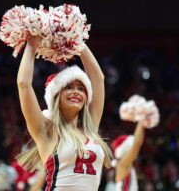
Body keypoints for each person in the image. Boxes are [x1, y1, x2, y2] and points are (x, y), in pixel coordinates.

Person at [16, 36, 112, 191]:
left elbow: (98, 79)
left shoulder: (90, 128)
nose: (76, 92)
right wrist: (32, 43)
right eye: (69, 87)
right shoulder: (46, 131)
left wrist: (77, 40)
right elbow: (24, 85)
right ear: (55, 96)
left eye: (81, 88)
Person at [111, 121, 146, 191]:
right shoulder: (123, 164)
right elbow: (137, 144)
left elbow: (138, 143)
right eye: (131, 149)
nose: (136, 152)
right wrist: (142, 121)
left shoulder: (124, 164)